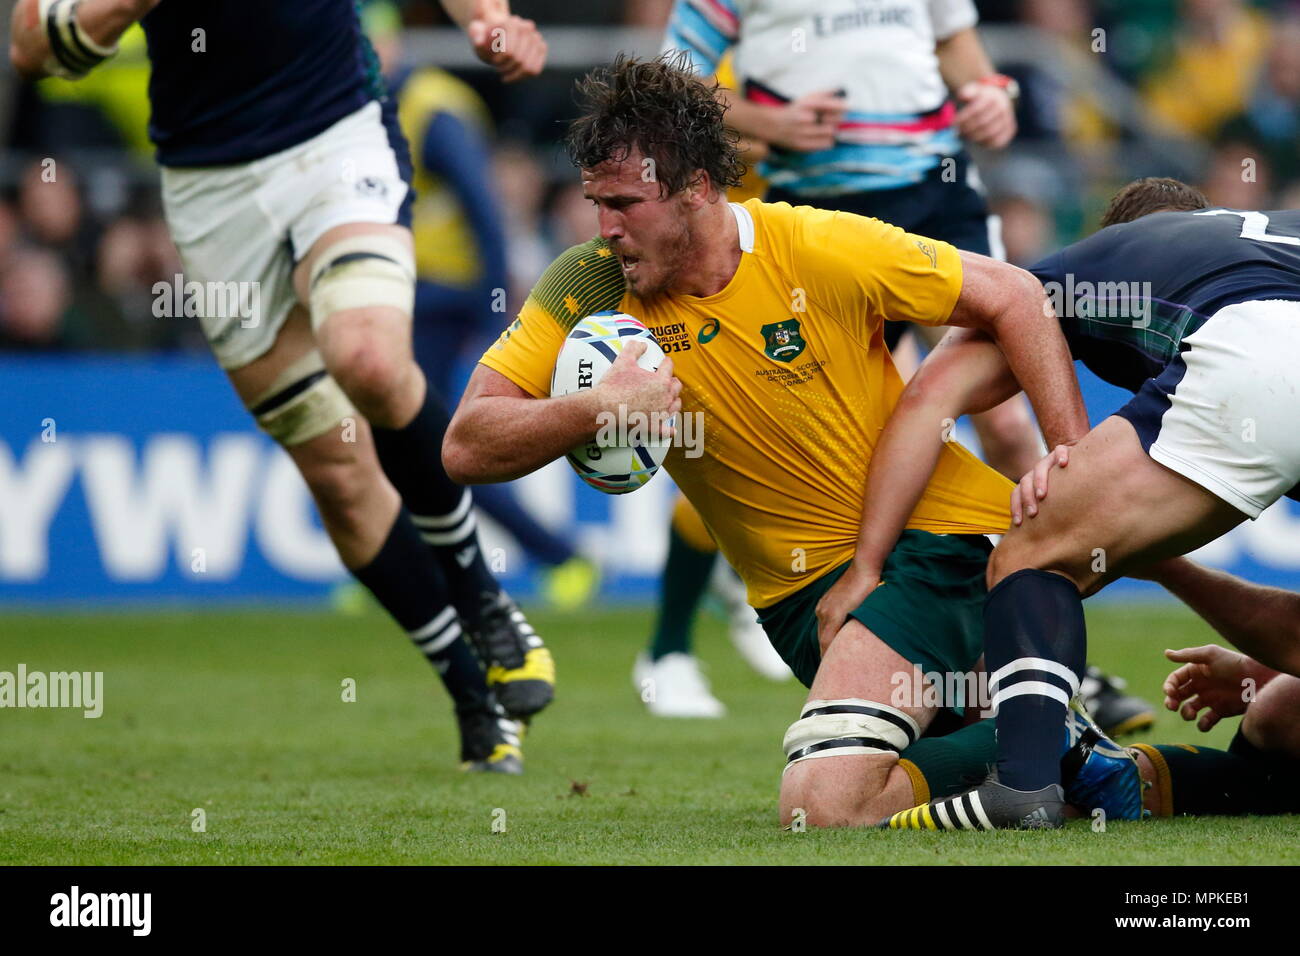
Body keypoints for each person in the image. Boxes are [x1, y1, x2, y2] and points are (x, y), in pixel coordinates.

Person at [442, 55, 1140, 827]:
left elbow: (1013, 295)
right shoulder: (593, 283)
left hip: (931, 549)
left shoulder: (815, 247)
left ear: (700, 188)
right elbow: (465, 445)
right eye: (595, 204)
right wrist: (593, 410)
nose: (605, 228)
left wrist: (1076, 460)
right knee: (973, 759)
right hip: (796, 603)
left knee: (823, 804)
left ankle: (1048, 740)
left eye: (626, 204)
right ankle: (1079, 753)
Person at [10, 0, 552, 772]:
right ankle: (472, 694)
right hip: (211, 189)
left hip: (335, 136)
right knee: (337, 471)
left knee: (367, 358)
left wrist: (487, 18)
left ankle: (483, 601)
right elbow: (34, 45)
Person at [846, 177, 1300, 827]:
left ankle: (1025, 786)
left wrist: (866, 565)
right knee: (1283, 711)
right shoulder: (1273, 229)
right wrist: (1254, 665)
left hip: (1258, 349)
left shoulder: (1093, 261)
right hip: (1269, 356)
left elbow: (930, 397)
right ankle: (1136, 780)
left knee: (1033, 552)